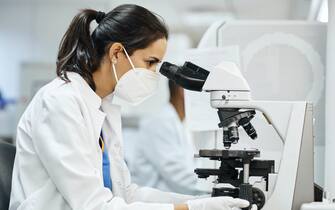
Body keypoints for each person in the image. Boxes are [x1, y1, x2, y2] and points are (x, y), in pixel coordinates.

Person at [9, 4, 253, 210]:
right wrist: (190, 208)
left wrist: (199, 201)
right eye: (150, 63)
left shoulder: (106, 107)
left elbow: (125, 193)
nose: (153, 74)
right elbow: (93, 205)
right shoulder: (59, 102)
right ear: (117, 52)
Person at [128, 80, 205, 195]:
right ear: (182, 91)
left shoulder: (180, 123)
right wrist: (210, 187)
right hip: (154, 202)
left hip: (173, 198)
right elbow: (177, 175)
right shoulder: (160, 122)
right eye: (201, 90)